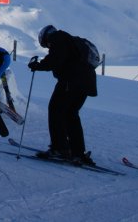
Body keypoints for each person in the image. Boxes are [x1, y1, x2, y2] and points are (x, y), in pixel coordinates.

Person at [27, 24, 98, 165]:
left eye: (46, 46)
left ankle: (60, 148)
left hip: (71, 81)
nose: (48, 47)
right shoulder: (71, 40)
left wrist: (38, 65)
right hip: (86, 82)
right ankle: (78, 152)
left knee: (55, 110)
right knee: (71, 114)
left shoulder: (58, 38)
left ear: (46, 38)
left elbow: (55, 59)